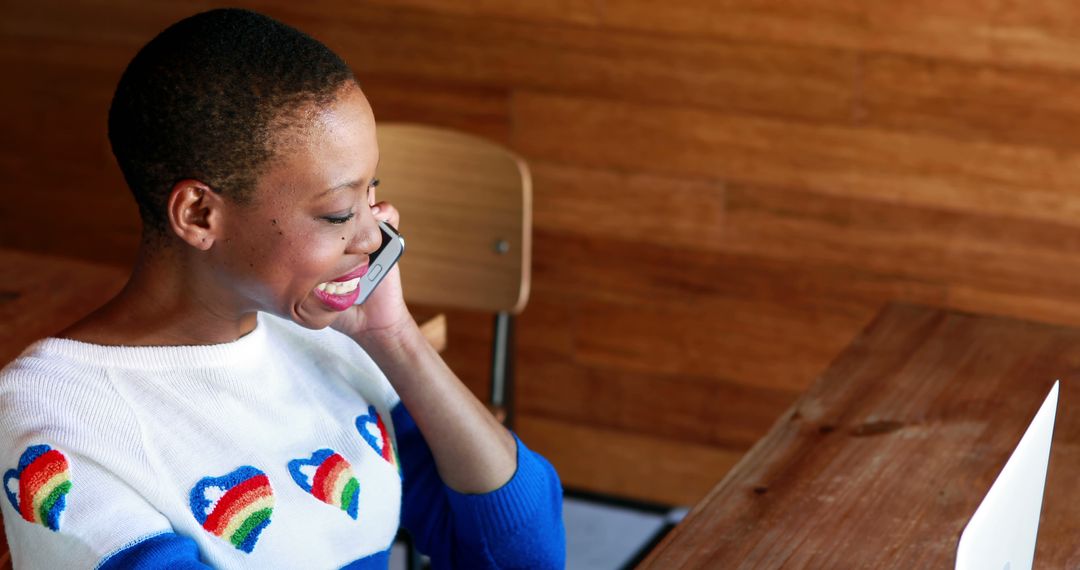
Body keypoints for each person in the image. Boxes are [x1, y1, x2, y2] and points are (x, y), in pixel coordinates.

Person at [0, 8, 565, 569]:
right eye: (339, 212)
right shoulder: (62, 416)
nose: (376, 234)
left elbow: (523, 555)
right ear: (199, 214)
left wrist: (395, 338)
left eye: (373, 192)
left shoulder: (328, 336)